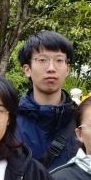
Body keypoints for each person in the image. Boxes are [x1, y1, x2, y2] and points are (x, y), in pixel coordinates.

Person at [17, 31, 79, 169]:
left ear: (67, 69)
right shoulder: (9, 123)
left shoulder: (82, 120)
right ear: (27, 69)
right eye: (42, 60)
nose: (51, 68)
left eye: (59, 60)